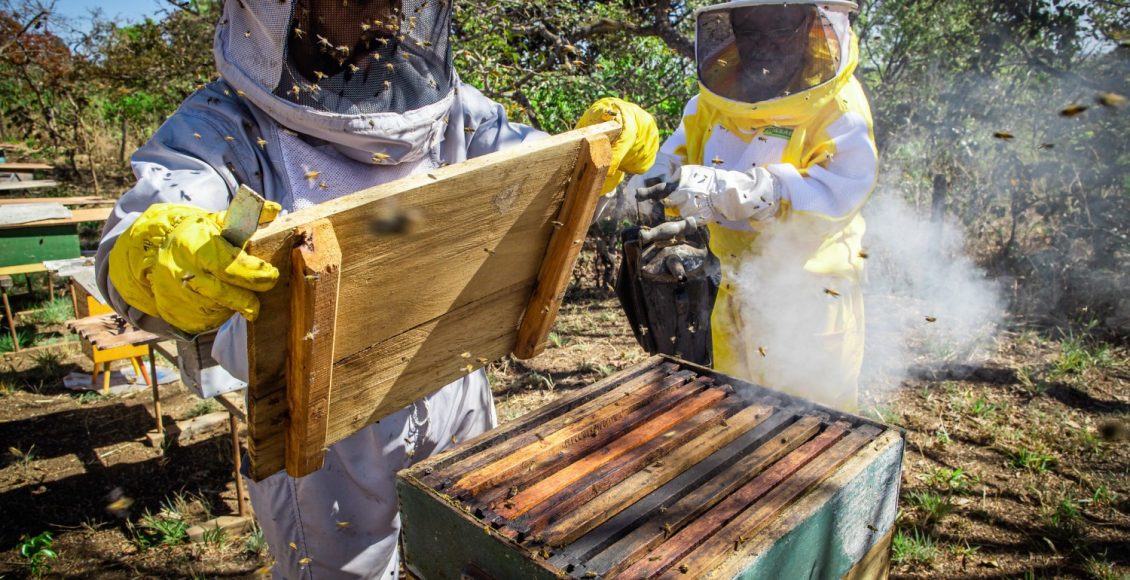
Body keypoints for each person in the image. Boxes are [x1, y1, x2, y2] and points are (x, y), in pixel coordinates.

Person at [95, 1, 656, 577]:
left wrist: (600, 153)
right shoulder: (221, 125)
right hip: (322, 437)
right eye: (347, 0)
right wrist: (156, 258)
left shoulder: (452, 107)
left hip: (456, 380)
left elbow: (536, 169)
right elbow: (140, 231)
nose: (373, 13)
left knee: (475, 557)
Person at [632, 0, 877, 411]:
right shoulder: (712, 101)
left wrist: (735, 191)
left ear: (809, 27)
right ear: (731, 32)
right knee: (740, 423)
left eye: (780, 29)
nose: (764, 45)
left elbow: (839, 192)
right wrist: (648, 182)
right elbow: (673, 159)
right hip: (731, 292)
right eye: (750, 31)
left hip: (809, 299)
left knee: (812, 438)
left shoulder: (839, 109)